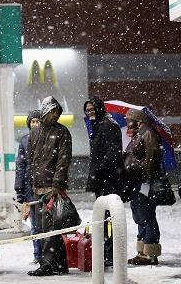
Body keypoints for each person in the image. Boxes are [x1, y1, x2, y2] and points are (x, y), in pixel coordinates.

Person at [27, 96, 72, 276]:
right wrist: (33, 181)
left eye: (57, 112)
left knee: (50, 228)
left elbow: (64, 160)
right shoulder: (35, 133)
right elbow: (31, 160)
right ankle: (59, 264)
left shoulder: (62, 132)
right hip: (38, 186)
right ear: (45, 111)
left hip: (52, 187)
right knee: (44, 227)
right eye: (52, 112)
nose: (55, 115)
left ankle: (48, 264)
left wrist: (57, 184)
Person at [83, 97, 123, 267]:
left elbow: (113, 152)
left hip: (108, 180)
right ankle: (108, 252)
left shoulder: (107, 125)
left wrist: (101, 168)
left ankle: (110, 253)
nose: (90, 112)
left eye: (92, 109)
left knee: (109, 218)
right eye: (88, 110)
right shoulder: (99, 125)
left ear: (99, 108)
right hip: (103, 180)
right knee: (105, 218)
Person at [124, 109, 162, 266]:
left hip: (144, 182)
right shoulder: (138, 134)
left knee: (146, 215)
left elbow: (151, 158)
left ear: (137, 120)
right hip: (137, 182)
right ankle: (142, 251)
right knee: (139, 215)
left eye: (129, 119)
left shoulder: (148, 133)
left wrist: (142, 173)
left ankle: (150, 253)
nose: (127, 123)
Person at [15, 110, 42, 264]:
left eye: (38, 121)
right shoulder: (24, 141)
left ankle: (46, 253)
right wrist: (19, 190)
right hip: (30, 188)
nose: (35, 124)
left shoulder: (46, 139)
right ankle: (37, 254)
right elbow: (20, 166)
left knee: (46, 222)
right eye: (33, 121)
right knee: (35, 224)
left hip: (44, 187)